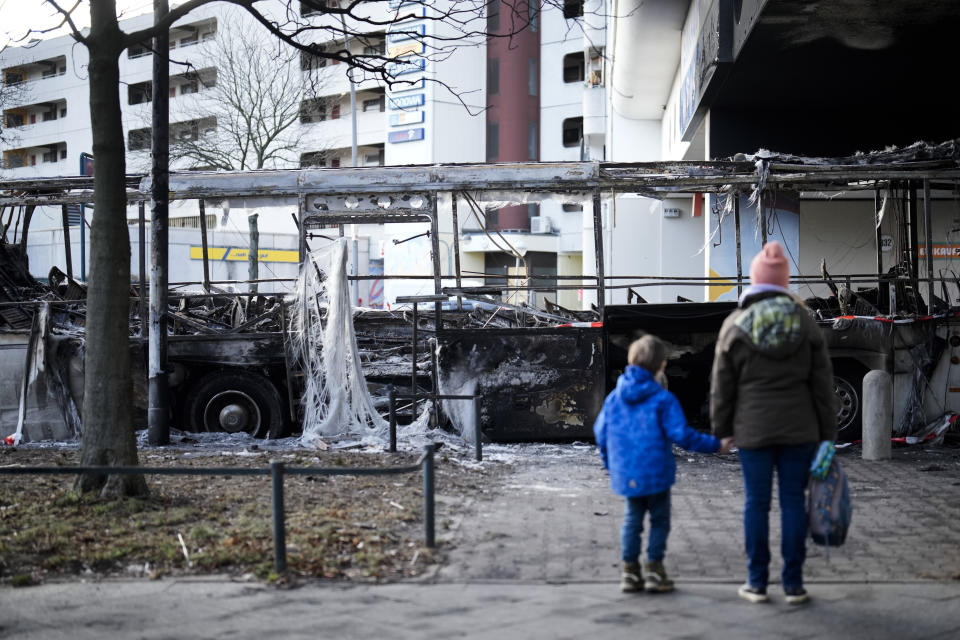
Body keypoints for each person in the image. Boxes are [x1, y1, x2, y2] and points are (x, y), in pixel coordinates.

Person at [710, 241, 837, 605]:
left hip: (753, 431)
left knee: (756, 504)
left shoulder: (735, 325)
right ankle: (794, 585)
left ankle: (757, 582)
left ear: (755, 281)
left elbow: (722, 386)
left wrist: (722, 431)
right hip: (801, 431)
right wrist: (827, 435)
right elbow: (822, 386)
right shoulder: (806, 324)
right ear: (783, 282)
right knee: (794, 503)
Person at [594, 334, 733, 593]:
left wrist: (610, 463)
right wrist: (716, 446)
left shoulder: (614, 398)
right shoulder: (663, 400)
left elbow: (601, 433)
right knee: (659, 521)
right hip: (657, 473)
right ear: (662, 366)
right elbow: (683, 436)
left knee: (632, 521)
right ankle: (655, 571)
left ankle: (629, 573)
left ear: (630, 362)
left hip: (627, 473)